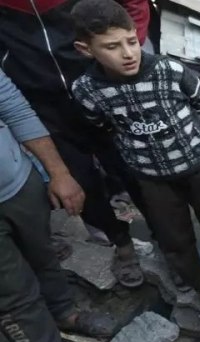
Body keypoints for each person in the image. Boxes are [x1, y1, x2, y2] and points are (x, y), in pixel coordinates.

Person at [69, 0, 200, 333]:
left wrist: (183, 138)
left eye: (131, 40)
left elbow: (199, 101)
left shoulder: (169, 70)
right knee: (175, 240)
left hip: (198, 168)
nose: (128, 53)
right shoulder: (87, 90)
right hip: (152, 179)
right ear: (86, 49)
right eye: (112, 46)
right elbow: (101, 125)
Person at [0, 0, 152, 289]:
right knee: (80, 181)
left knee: (136, 169)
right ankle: (120, 243)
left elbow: (134, 4)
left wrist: (125, 50)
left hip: (102, 85)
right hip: (42, 101)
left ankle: (168, 240)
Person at [0, 68, 98, 342]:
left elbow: (13, 106)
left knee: (42, 253)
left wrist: (58, 172)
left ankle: (64, 311)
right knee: (11, 291)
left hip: (17, 182)